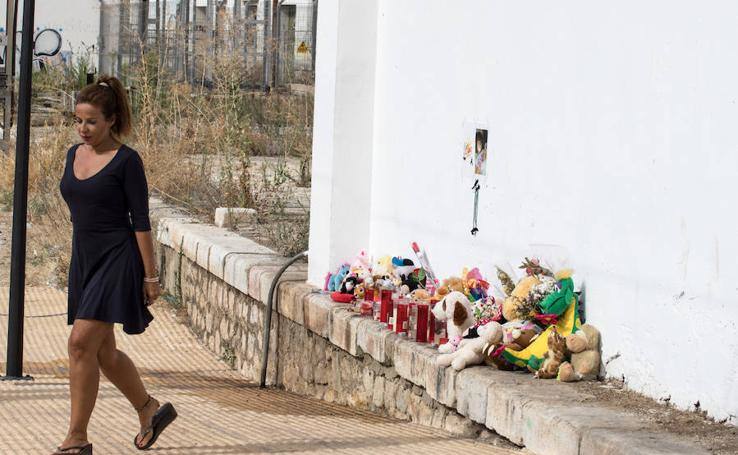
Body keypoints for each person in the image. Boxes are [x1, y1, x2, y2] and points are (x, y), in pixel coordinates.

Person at [54, 76, 177, 454]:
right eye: (78, 120)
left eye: (91, 121)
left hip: (117, 258)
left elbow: (140, 221)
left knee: (79, 344)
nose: (83, 129)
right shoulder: (73, 155)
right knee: (102, 353)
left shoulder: (127, 161)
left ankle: (76, 439)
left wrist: (150, 275)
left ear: (111, 120)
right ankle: (150, 409)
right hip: (85, 258)